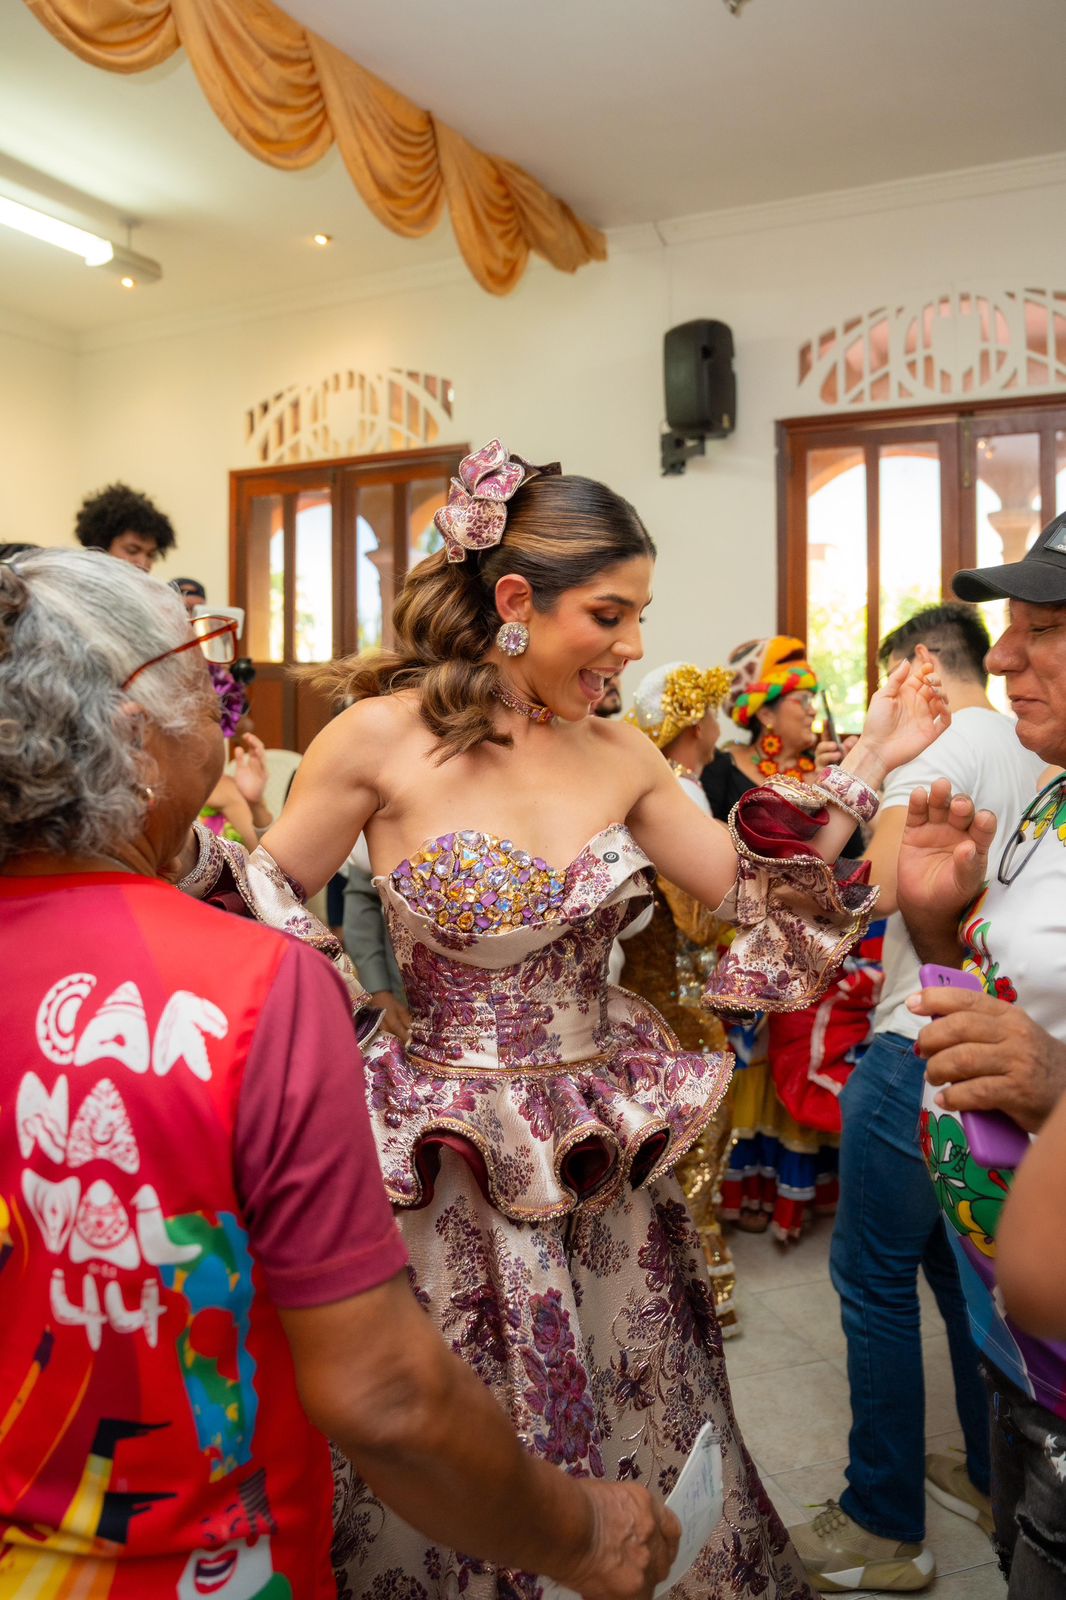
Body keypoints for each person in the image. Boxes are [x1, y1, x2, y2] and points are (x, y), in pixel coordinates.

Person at [173, 439, 948, 1599]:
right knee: (456, 1416)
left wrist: (873, 762)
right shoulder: (375, 740)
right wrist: (341, 1029)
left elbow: (750, 897)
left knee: (636, 1391)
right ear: (518, 601)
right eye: (612, 612)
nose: (634, 645)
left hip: (603, 1160)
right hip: (442, 1163)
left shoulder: (623, 752)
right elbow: (250, 918)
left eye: (642, 614)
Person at [0, 548, 684, 1600]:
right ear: (135, 735)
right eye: (201, 683)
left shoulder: (615, 751)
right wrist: (582, 1532)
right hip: (184, 1564)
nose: (226, 721)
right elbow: (386, 1398)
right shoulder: (243, 992)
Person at [792, 603, 1044, 1594]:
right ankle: (991, 1477)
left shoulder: (936, 742)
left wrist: (868, 766)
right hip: (1004, 1042)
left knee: (870, 1281)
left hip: (916, 1038)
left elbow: (879, 887)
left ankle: (881, 1519)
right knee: (957, 1275)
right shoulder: (1033, 746)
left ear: (915, 668)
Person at [894, 511, 1066, 1599]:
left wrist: (1056, 1088)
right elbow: (1004, 1013)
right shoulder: (1050, 796)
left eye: (1043, 627)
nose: (999, 657)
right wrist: (934, 928)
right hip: (1018, 1354)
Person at [702, 637, 871, 1242]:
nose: (810, 710)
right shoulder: (722, 773)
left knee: (804, 1057)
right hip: (741, 949)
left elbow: (850, 859)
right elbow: (714, 870)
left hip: (808, 952)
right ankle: (750, 1190)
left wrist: (841, 780)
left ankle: (801, 1192)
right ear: (766, 714)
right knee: (751, 1066)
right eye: (800, 699)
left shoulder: (821, 778)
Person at [622, 661, 740, 1334]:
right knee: (695, 1136)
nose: (718, 726)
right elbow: (704, 913)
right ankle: (692, 1289)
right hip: (680, 997)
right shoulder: (681, 796)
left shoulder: (659, 786)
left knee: (671, 1134)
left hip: (649, 994)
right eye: (713, 713)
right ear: (696, 721)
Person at [74, 482, 176, 572]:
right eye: (132, 551)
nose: (143, 564)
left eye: (150, 555)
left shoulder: (148, 592)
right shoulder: (68, 588)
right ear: (100, 547)